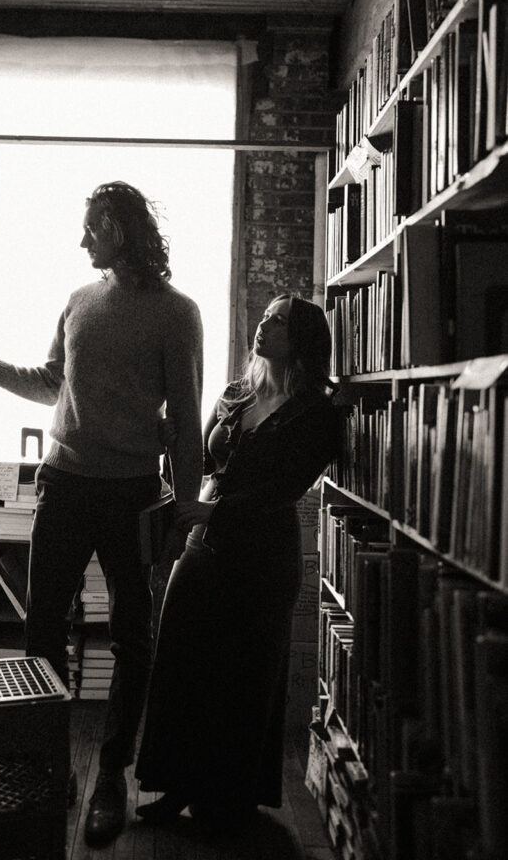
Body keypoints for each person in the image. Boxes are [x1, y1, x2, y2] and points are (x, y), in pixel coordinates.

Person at [0, 181, 203, 847]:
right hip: (62, 485)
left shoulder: (177, 313)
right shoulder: (76, 301)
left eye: (93, 226)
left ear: (122, 227)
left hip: (131, 494)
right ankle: (48, 764)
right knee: (40, 630)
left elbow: (184, 422)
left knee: (132, 635)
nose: (83, 238)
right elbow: (46, 380)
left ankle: (112, 773)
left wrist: (181, 507)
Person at [134, 293, 341, 832]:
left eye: (279, 322)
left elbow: (284, 490)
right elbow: (203, 459)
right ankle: (176, 786)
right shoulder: (235, 392)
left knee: (244, 678)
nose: (264, 326)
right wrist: (169, 445)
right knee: (182, 664)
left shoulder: (316, 412)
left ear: (302, 340)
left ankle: (228, 800)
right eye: (265, 316)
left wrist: (213, 509)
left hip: (262, 556)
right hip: (203, 549)